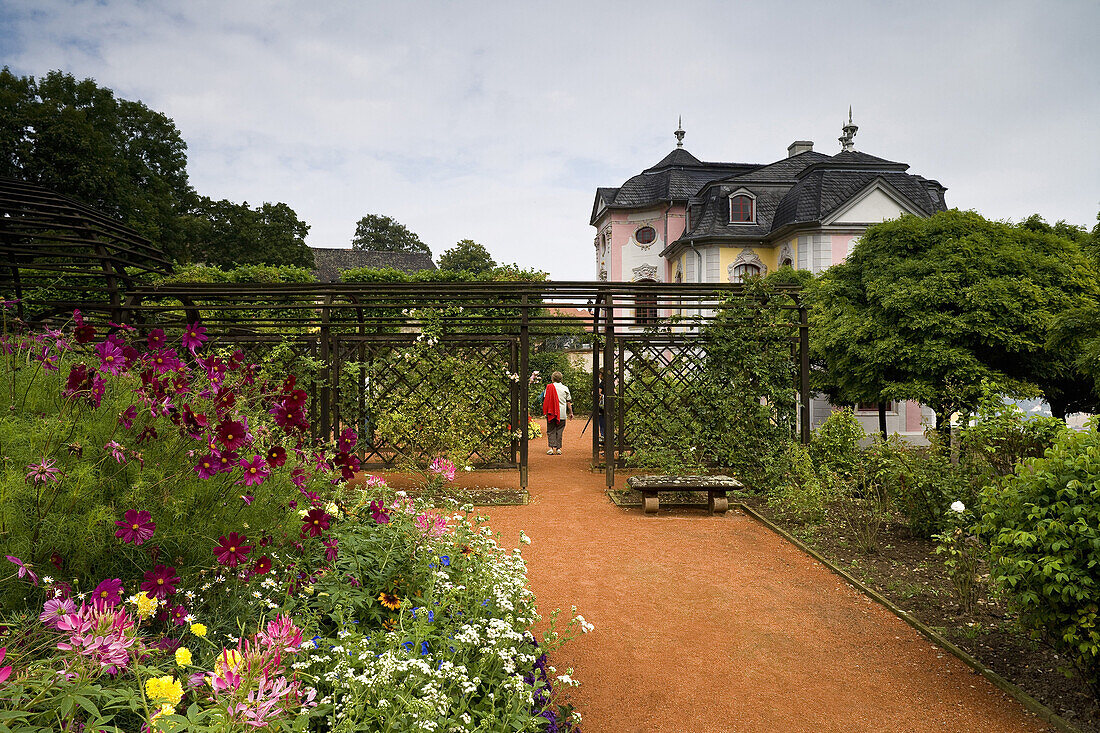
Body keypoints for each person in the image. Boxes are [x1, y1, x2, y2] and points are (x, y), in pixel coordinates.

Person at [542, 371, 573, 455]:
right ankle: (558, 448)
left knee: (551, 430)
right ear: (561, 379)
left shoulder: (549, 387)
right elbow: (568, 402)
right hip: (562, 413)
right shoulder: (565, 388)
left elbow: (546, 399)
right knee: (559, 430)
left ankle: (551, 448)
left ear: (552, 379)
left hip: (551, 412)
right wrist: (570, 413)